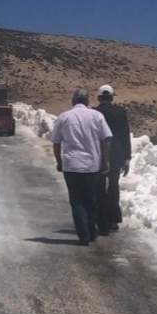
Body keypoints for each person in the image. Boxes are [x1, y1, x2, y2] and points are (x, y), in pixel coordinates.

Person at [51, 89, 113, 246]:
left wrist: (59, 161)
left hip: (71, 166)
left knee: (76, 201)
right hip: (91, 166)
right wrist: (105, 162)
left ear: (73, 101)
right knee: (91, 200)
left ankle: (83, 235)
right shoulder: (97, 116)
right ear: (87, 102)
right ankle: (91, 232)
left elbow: (56, 142)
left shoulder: (64, 117)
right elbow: (106, 140)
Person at [94, 84, 131, 234]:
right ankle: (113, 220)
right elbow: (125, 135)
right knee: (113, 187)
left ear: (99, 97)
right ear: (111, 97)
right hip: (116, 155)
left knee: (99, 188)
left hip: (99, 155)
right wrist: (127, 157)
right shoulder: (120, 112)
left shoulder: (94, 113)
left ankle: (100, 219)